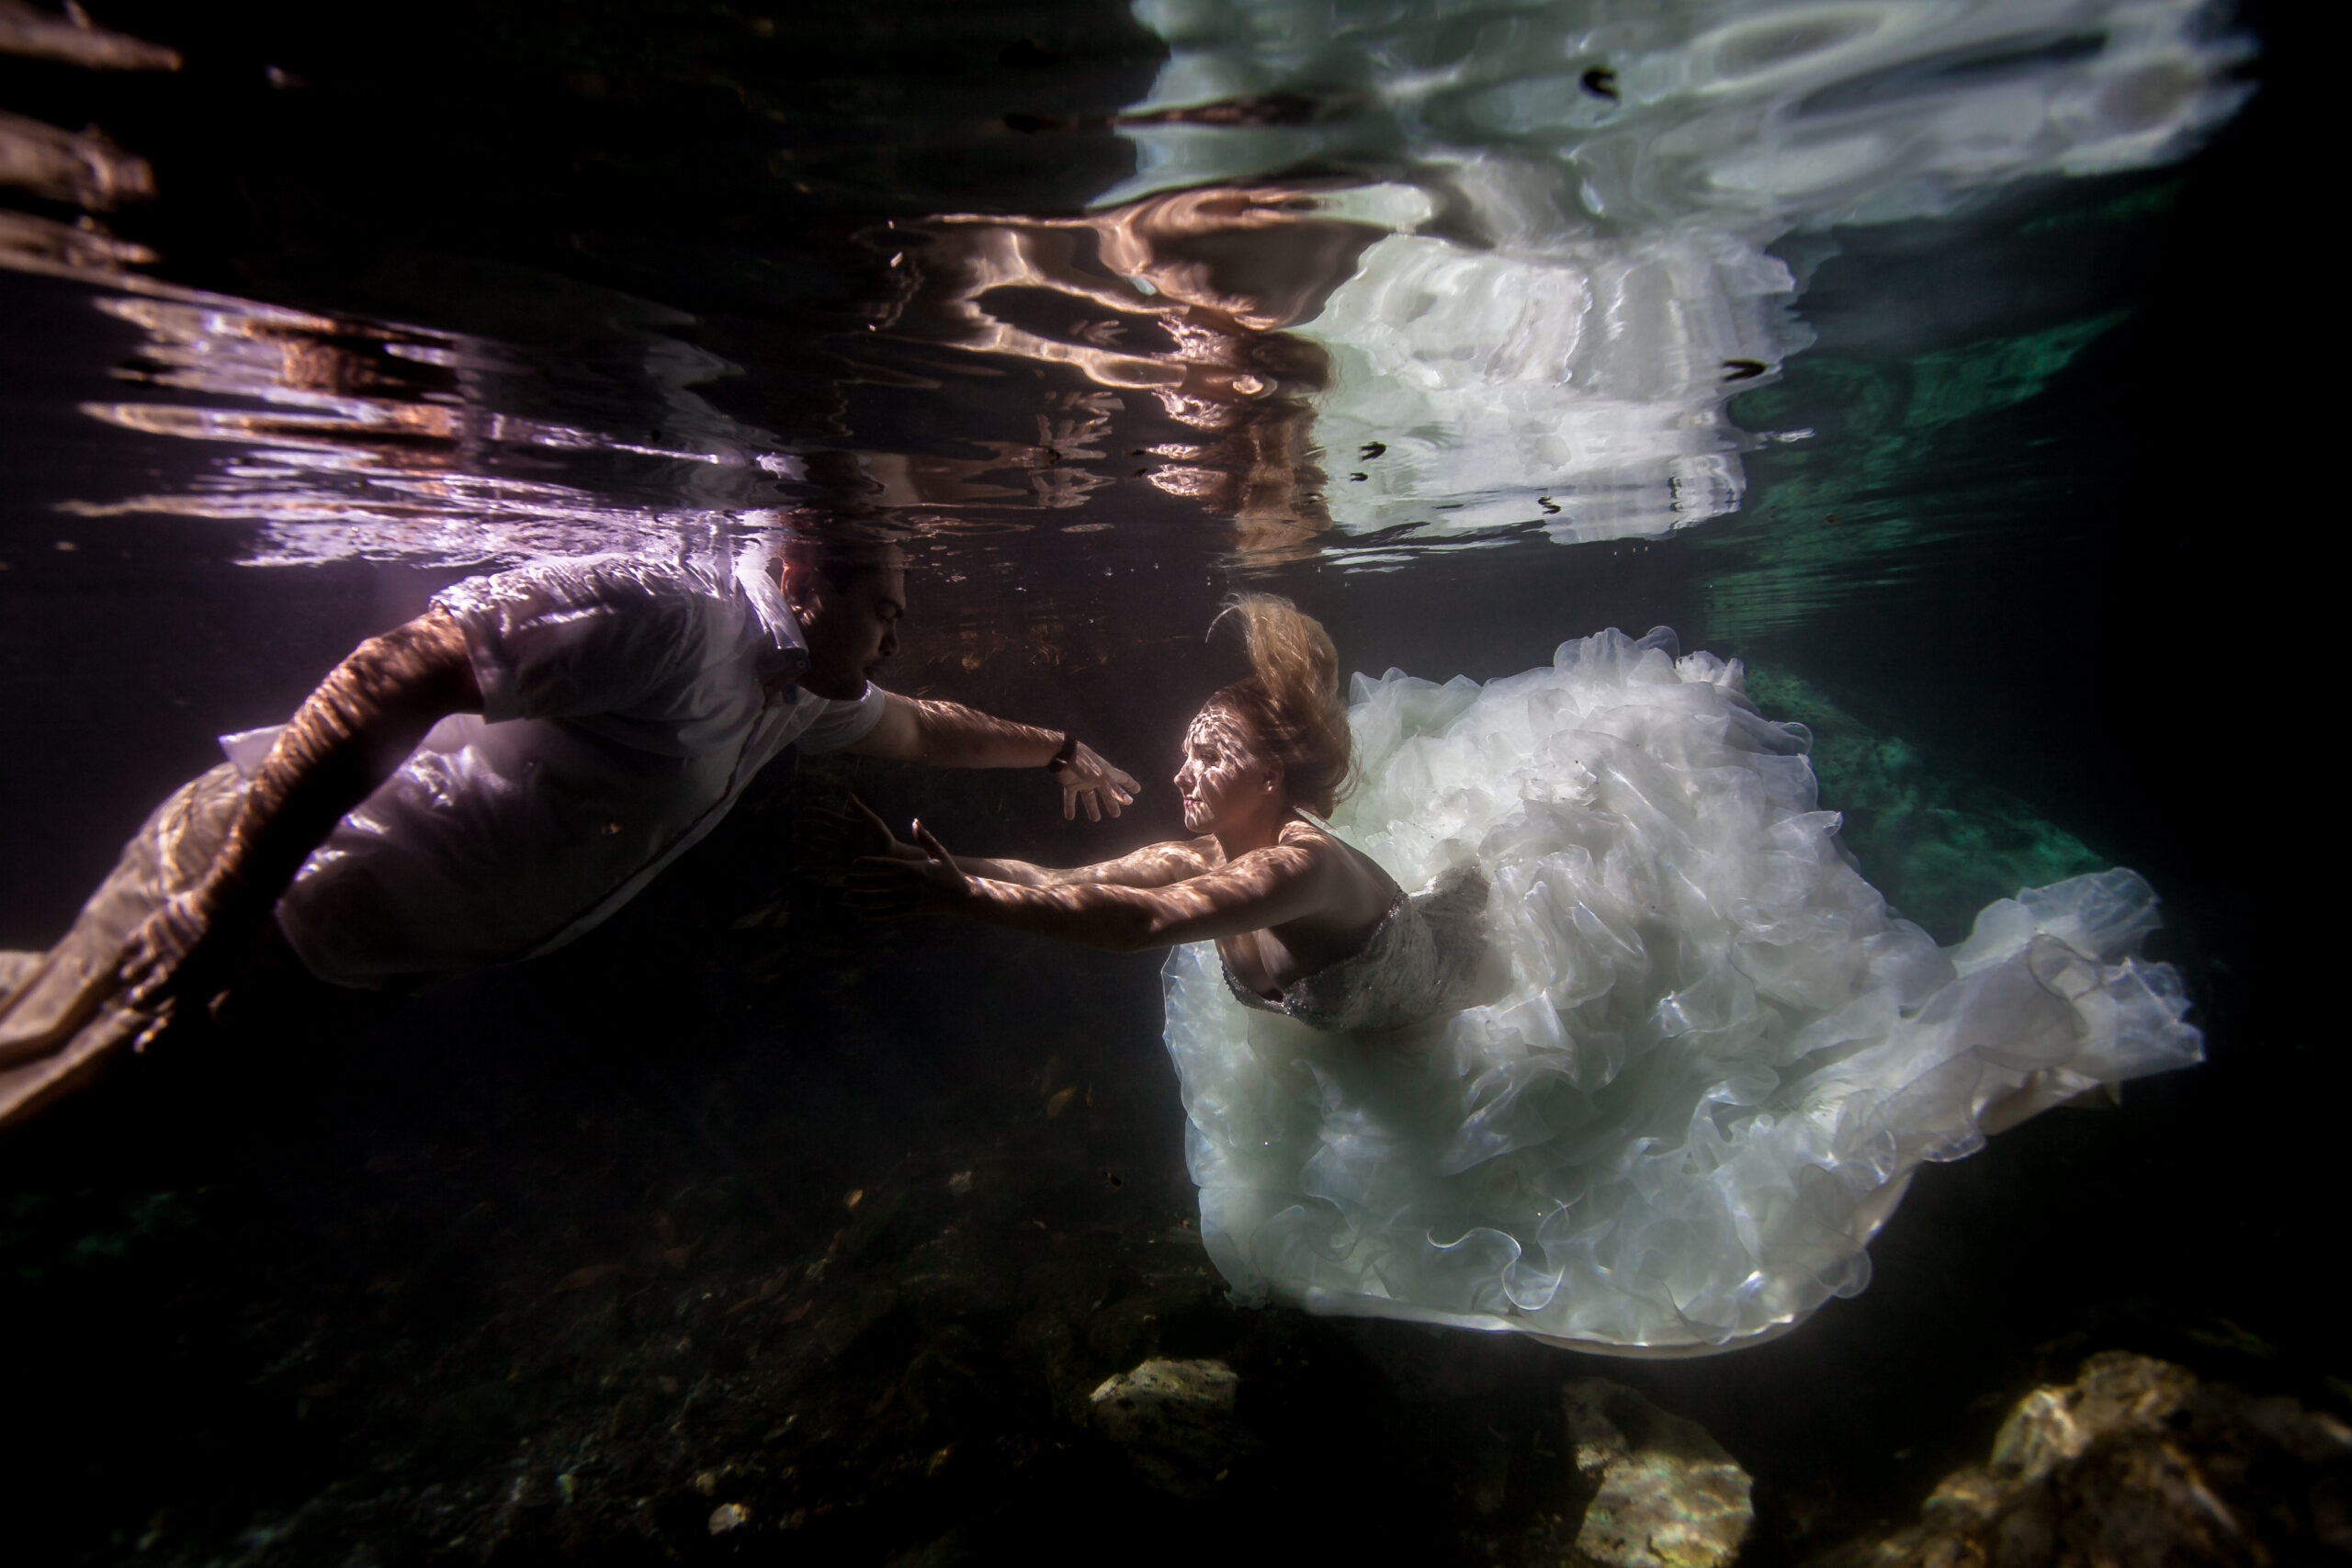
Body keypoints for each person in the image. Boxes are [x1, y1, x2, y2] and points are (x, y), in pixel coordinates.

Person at [849, 595, 2205, 1356]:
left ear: (1284, 772)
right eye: (1189, 749)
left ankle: (2004, 1046)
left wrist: (971, 894)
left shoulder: (1282, 872)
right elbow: (1102, 887)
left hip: (1470, 1008)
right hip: (1371, 999)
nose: (1189, 770)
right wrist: (965, 877)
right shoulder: (1211, 845)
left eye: (1215, 753)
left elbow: (1148, 925)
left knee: (1706, 1132)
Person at [0, 527, 1139, 1126]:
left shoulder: (795, 697)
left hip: (331, 955)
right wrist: (222, 907)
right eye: (884, 608)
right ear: (802, 571)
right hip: (254, 887)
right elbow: (384, 674)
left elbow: (932, 731)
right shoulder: (673, 616)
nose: (893, 638)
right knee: (41, 1085)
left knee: (63, 1062)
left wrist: (1055, 749)